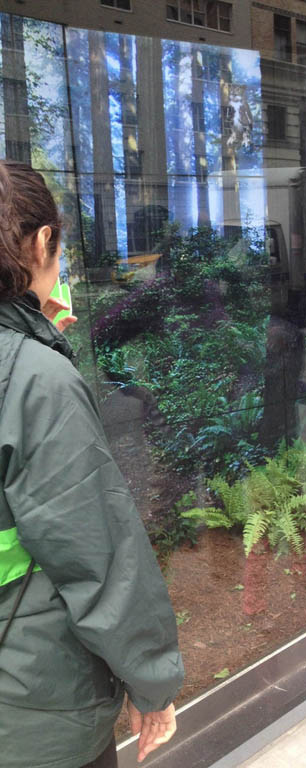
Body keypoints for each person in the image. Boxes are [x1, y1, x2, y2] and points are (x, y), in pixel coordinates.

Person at [0, 160, 184, 768]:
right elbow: (97, 555)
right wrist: (151, 683)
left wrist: (36, 339)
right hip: (33, 711)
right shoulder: (34, 380)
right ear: (41, 243)